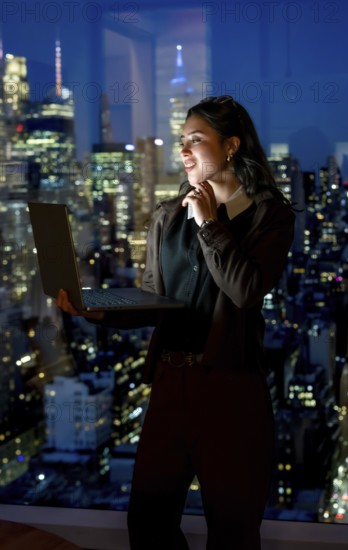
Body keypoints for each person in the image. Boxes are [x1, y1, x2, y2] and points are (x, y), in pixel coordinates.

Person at [56, 95, 295, 549]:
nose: (183, 151)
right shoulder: (168, 217)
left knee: (233, 531)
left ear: (231, 146)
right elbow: (154, 302)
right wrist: (95, 308)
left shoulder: (269, 215)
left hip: (230, 390)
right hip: (170, 384)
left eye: (196, 140)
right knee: (147, 523)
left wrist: (207, 222)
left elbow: (246, 289)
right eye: (182, 141)